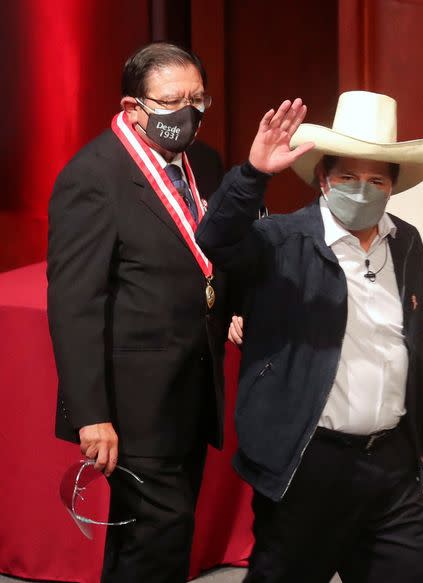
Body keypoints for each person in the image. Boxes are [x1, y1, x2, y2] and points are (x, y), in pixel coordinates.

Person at [196, 91, 423, 582]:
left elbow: (417, 331)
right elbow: (215, 238)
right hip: (307, 466)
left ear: (392, 186)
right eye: (348, 177)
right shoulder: (282, 241)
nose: (362, 190)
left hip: (391, 467)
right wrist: (254, 174)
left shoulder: (407, 241)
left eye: (376, 180)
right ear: (324, 180)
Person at [47, 42, 229, 582]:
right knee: (157, 542)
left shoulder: (205, 162)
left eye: (198, 99)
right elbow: (75, 304)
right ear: (133, 107)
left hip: (191, 388)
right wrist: (90, 415)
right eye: (173, 101)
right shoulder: (93, 177)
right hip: (133, 404)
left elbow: (209, 255)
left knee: (148, 544)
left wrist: (233, 305)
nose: (188, 112)